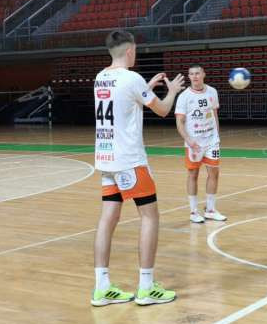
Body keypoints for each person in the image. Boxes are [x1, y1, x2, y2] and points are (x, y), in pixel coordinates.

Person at [92, 30, 185, 307]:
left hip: (106, 159)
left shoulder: (100, 78)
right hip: (129, 160)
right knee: (150, 217)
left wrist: (147, 86)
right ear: (130, 50)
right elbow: (163, 110)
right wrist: (171, 92)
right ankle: (146, 287)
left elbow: (126, 103)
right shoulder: (132, 79)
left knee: (107, 218)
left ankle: (102, 287)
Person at [175, 63, 226, 224]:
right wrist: (189, 140)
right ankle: (193, 212)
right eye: (191, 74)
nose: (195, 76)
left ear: (203, 74)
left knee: (214, 174)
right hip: (194, 143)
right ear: (189, 77)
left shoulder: (212, 92)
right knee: (193, 175)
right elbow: (180, 122)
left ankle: (210, 210)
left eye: (197, 73)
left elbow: (214, 114)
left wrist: (217, 135)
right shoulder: (184, 96)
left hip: (211, 141)